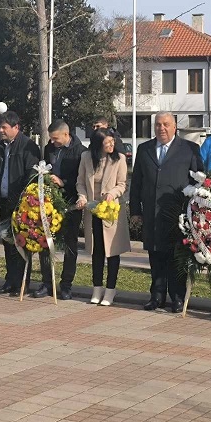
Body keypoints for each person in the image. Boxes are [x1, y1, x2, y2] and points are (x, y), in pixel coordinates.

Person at [130, 112, 203, 312]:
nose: (161, 128)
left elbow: (199, 181)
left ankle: (177, 297)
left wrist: (196, 214)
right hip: (153, 213)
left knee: (176, 257)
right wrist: (135, 210)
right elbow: (136, 183)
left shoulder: (189, 149)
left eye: (166, 124)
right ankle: (157, 296)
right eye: (158, 125)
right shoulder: (144, 149)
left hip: (178, 215)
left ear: (174, 127)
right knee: (156, 256)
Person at [76, 128, 130, 305]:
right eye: (107, 143)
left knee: (112, 251)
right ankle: (97, 287)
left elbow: (122, 184)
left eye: (112, 141)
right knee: (96, 251)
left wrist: (112, 193)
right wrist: (82, 196)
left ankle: (110, 290)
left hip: (111, 211)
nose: (111, 145)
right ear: (98, 144)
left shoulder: (119, 159)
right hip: (92, 210)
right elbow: (81, 182)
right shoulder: (86, 158)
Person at [0, 111, 41, 296]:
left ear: (16, 127)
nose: (0, 130)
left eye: (4, 127)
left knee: (21, 244)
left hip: (21, 205)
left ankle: (22, 282)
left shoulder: (28, 146)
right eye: (0, 127)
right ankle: (10, 280)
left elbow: (31, 176)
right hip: (3, 202)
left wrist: (22, 199)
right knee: (7, 243)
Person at [35, 119, 86, 300]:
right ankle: (47, 282)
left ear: (66, 134)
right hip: (49, 202)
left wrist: (64, 182)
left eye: (56, 139)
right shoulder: (49, 149)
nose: (53, 142)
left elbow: (82, 178)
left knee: (70, 245)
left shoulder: (80, 152)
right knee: (45, 241)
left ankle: (66, 285)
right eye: (51, 139)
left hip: (71, 202)